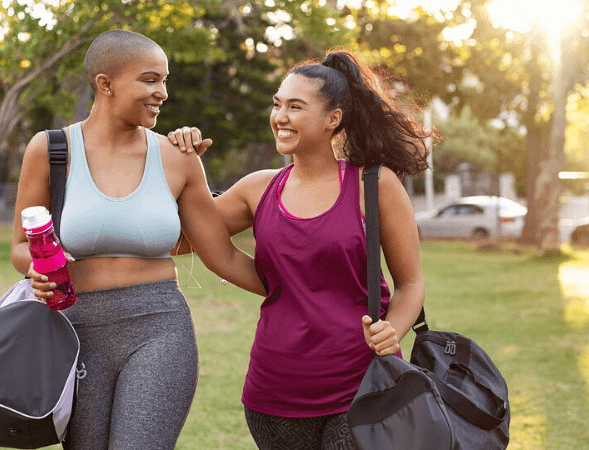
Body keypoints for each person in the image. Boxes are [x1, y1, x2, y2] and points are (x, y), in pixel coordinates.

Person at [10, 29, 266, 450]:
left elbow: (221, 254)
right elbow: (21, 246)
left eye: (165, 80)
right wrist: (35, 266)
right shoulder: (51, 150)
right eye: (150, 80)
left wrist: (299, 290)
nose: (162, 93)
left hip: (159, 329)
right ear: (105, 84)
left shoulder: (177, 157)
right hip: (74, 332)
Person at [169, 49, 432, 449]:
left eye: (295, 106)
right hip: (274, 394)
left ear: (333, 119)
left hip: (363, 385)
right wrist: (181, 166)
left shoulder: (375, 185)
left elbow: (410, 283)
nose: (280, 117)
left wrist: (391, 330)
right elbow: (179, 239)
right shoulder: (258, 189)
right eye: (277, 104)